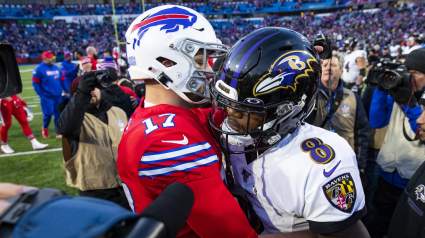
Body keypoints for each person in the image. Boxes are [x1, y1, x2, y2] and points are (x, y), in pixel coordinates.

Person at [208, 27, 369, 237]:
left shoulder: (321, 163)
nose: (229, 113)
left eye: (244, 110)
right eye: (227, 104)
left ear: (286, 111)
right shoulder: (235, 132)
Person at [117, 5, 257, 238]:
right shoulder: (169, 141)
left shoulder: (165, 116)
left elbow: (216, 116)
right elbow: (231, 233)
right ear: (167, 62)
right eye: (201, 57)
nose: (209, 68)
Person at [367, 48, 425, 237]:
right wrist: (381, 89)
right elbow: (376, 121)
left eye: (415, 73)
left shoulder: (411, 98)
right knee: (377, 223)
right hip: (387, 171)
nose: (410, 78)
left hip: (412, 179)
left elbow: (420, 131)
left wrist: (409, 105)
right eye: (408, 72)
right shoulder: (399, 91)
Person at [57, 73, 129, 208]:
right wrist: (82, 93)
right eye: (86, 90)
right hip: (95, 189)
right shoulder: (75, 119)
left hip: (125, 185)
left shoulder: (118, 112)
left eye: (94, 88)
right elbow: (65, 127)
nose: (91, 92)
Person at [309, 55, 371, 173]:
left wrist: (360, 165)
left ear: (341, 70)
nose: (328, 68)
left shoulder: (353, 97)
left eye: (332, 65)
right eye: (324, 65)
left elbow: (362, 132)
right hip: (314, 164)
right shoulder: (309, 96)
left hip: (345, 164)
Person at [32, 50, 63, 138]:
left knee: (58, 114)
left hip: (58, 96)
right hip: (47, 96)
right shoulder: (38, 69)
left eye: (52, 57)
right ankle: (45, 128)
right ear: (45, 58)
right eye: (50, 57)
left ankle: (58, 131)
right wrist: (41, 94)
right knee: (48, 114)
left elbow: (61, 80)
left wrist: (63, 90)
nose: (52, 59)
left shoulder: (56, 67)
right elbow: (35, 84)